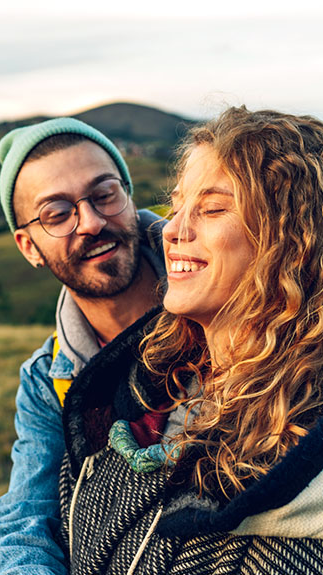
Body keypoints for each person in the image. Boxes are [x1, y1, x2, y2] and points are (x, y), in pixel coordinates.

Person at [57, 107, 323, 574]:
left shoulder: (302, 466)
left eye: (213, 208)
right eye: (176, 205)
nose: (173, 230)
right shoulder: (139, 384)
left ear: (292, 239)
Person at [0, 117, 167, 574]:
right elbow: (21, 521)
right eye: (57, 214)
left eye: (104, 195)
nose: (92, 222)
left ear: (128, 193)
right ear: (28, 247)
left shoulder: (230, 303)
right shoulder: (48, 380)